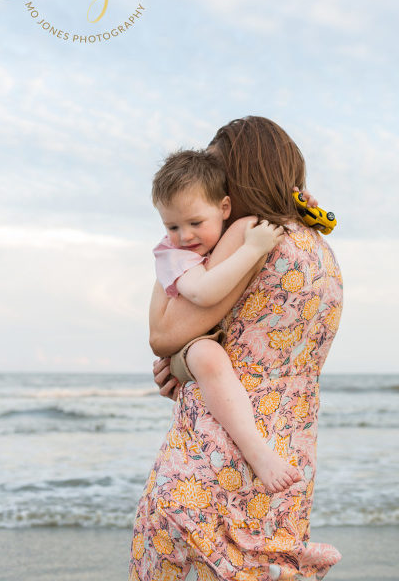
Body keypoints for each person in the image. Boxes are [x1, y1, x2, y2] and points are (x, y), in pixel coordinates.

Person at [129, 116, 343, 581]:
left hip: (213, 455)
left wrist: (170, 256)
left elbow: (163, 335)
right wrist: (188, 363)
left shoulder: (250, 232)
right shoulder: (319, 247)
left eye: (218, 171)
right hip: (288, 449)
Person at [151, 148, 301, 492]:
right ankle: (257, 453)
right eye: (171, 226)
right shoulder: (172, 254)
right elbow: (203, 293)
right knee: (207, 356)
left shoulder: (219, 231)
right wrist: (252, 249)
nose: (184, 236)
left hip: (208, 331)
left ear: (225, 208)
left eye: (194, 223)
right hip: (192, 339)